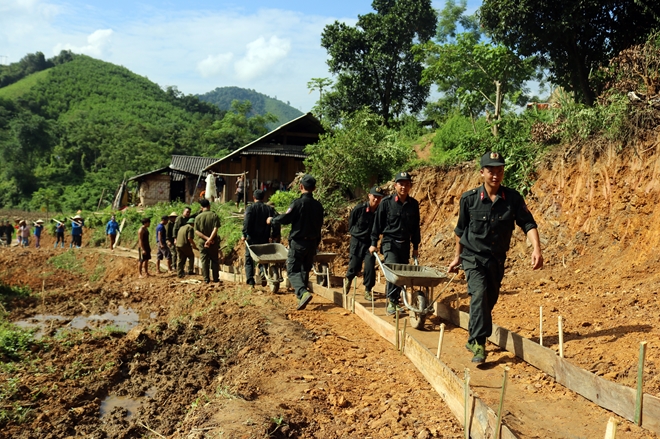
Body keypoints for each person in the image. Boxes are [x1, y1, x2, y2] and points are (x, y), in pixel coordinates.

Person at [448, 151, 543, 363]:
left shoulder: (513, 199)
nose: (495, 175)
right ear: (482, 172)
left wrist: (536, 248)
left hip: (496, 260)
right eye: (491, 170)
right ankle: (479, 343)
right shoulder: (469, 199)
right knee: (479, 294)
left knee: (487, 302)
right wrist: (457, 258)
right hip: (473, 257)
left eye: (499, 170)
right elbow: (460, 231)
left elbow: (528, 223)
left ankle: (474, 336)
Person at [267, 174, 324, 310]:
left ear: (300, 187)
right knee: (305, 269)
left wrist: (273, 220)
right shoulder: (318, 206)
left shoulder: (298, 203)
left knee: (292, 270)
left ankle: (302, 292)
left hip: (298, 242)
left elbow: (287, 218)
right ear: (314, 188)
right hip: (312, 243)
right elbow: (319, 225)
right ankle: (301, 298)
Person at [369, 172, 421, 316]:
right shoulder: (386, 203)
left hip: (405, 244)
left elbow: (416, 228)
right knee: (393, 270)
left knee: (402, 273)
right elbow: (377, 224)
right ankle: (392, 302)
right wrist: (373, 242)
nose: (404, 187)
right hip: (389, 242)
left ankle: (396, 300)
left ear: (410, 186)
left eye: (407, 184)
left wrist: (415, 247)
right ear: (395, 185)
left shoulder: (413, 205)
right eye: (401, 184)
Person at [344, 187, 385, 300]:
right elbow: (351, 224)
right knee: (354, 265)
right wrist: (356, 234)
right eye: (374, 197)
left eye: (379, 197)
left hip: (370, 244)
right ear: (369, 196)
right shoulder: (359, 209)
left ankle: (368, 290)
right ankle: (348, 280)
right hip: (357, 241)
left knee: (369, 267)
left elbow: (379, 228)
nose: (376, 200)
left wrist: (374, 242)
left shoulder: (380, 212)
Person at [241, 189, 281, 287]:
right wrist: (275, 235)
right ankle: (263, 272)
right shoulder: (269, 209)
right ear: (263, 198)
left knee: (249, 258)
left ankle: (250, 280)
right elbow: (276, 222)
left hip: (252, 238)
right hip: (264, 237)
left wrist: (244, 234)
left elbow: (246, 223)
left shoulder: (250, 209)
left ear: (253, 197)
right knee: (263, 257)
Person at [194, 198, 221, 283]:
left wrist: (206, 239)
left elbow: (196, 231)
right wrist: (210, 239)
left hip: (202, 242)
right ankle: (216, 279)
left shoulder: (198, 217)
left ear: (201, 207)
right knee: (214, 260)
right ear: (209, 206)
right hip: (213, 241)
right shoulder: (214, 215)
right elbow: (215, 228)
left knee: (204, 260)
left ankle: (206, 279)